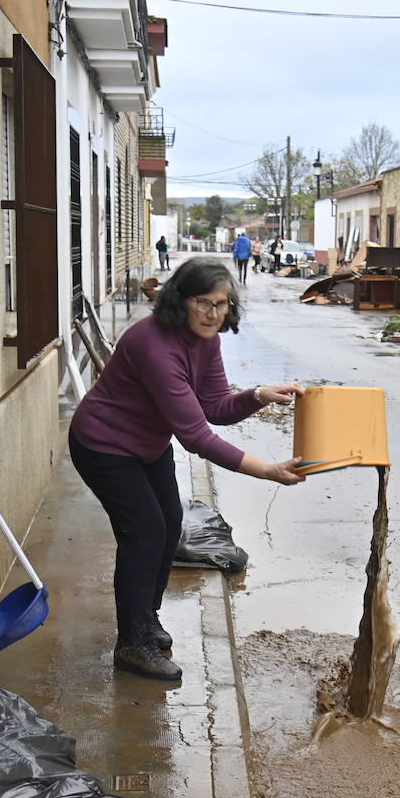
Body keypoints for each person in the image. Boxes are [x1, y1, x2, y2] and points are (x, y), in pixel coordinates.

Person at [69, 258, 306, 680]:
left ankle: (146, 618)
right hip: (103, 445)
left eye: (223, 304)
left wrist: (258, 395)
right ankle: (133, 644)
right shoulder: (154, 345)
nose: (215, 314)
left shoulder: (206, 339)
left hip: (147, 444)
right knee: (144, 532)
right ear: (181, 300)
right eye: (204, 303)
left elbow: (214, 407)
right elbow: (196, 437)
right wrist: (266, 470)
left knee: (170, 523)